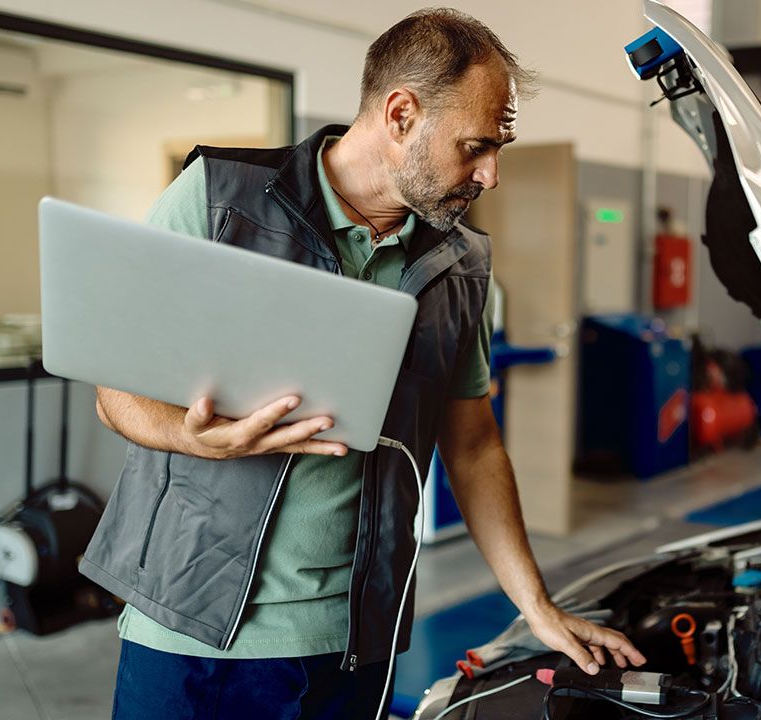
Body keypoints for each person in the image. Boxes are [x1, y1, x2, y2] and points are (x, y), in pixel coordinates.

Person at [82, 8, 645, 719]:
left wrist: (537, 607)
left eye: (497, 147)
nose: (492, 174)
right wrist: (189, 436)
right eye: (476, 146)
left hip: (352, 642)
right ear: (401, 114)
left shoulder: (461, 266)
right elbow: (115, 392)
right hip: (190, 630)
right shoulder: (218, 200)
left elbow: (473, 446)